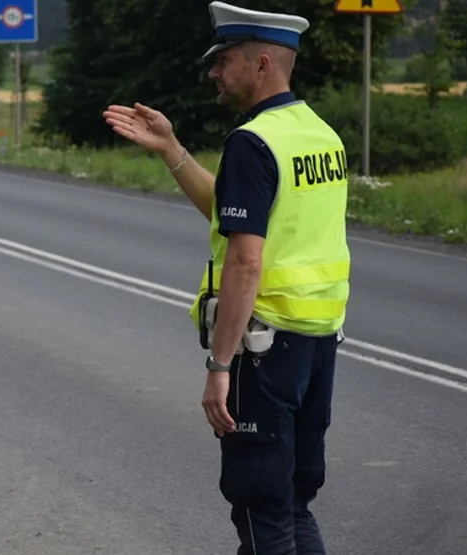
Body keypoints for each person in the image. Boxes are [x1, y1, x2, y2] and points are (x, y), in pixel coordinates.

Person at [103, 2, 351, 554]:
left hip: (262, 353)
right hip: (315, 348)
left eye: (225, 60)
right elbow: (233, 210)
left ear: (262, 64)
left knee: (261, 513)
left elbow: (246, 260)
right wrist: (171, 149)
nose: (214, 71)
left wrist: (219, 366)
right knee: (289, 504)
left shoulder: (252, 141)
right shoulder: (318, 135)